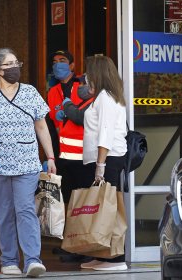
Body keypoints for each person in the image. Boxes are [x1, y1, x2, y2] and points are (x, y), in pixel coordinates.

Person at [0, 48, 56, 278]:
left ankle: (32, 260)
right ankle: (9, 260)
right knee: (3, 213)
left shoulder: (30, 92)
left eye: (16, 62)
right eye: (9, 64)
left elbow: (41, 126)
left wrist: (50, 157)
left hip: (27, 162)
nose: (15, 67)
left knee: (26, 209)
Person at [69, 55, 128, 271]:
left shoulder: (106, 97)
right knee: (99, 208)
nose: (85, 78)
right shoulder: (103, 97)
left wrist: (100, 166)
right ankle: (102, 255)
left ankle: (115, 259)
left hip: (108, 159)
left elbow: (105, 132)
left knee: (108, 208)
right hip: (101, 159)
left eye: (88, 73)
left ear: (98, 74)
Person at [46, 50, 95, 262]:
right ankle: (70, 241)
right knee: (65, 197)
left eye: (63, 61)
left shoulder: (82, 87)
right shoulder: (53, 90)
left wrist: (68, 114)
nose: (58, 65)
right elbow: (54, 121)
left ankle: (83, 244)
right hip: (62, 151)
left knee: (81, 197)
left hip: (82, 152)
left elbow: (83, 116)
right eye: (55, 62)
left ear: (73, 65)